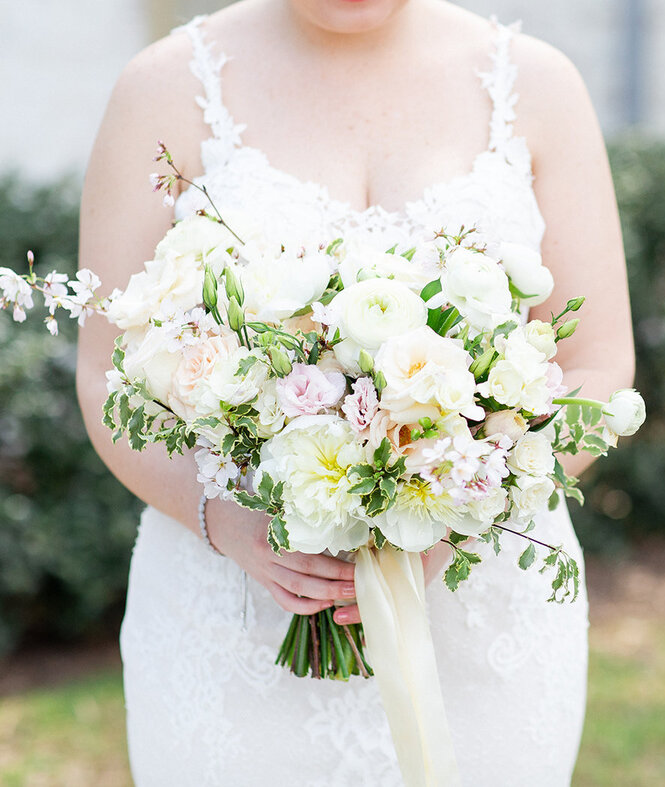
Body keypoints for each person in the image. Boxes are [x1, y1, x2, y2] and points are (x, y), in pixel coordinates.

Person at [75, 0, 635, 783]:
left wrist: (460, 510)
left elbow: (597, 365)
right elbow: (106, 372)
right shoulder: (163, 88)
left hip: (477, 619)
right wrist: (229, 523)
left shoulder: (536, 84)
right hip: (232, 607)